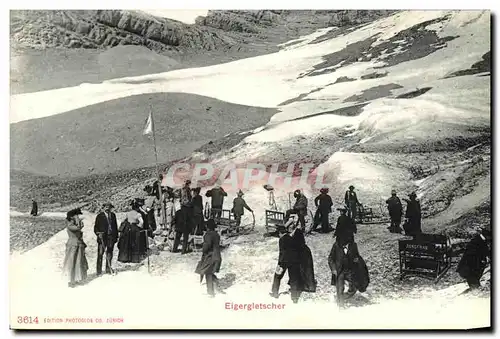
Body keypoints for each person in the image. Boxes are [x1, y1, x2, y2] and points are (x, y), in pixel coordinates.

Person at [328, 236, 368, 307]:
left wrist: (357, 259)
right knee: (340, 288)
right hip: (339, 271)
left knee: (354, 287)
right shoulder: (336, 245)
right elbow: (330, 258)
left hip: (350, 270)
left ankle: (343, 297)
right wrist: (333, 269)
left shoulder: (353, 245)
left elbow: (357, 256)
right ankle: (340, 305)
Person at [270, 225, 303, 303]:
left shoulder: (282, 239)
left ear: (280, 233)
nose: (278, 235)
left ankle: (275, 293)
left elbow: (282, 253)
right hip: (295, 261)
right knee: (294, 279)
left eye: (278, 233)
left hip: (284, 261)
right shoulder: (292, 238)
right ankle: (294, 298)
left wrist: (279, 264)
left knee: (277, 277)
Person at [195, 219, 222, 297]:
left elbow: (207, 246)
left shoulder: (208, 235)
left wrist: (203, 247)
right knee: (209, 271)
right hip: (217, 256)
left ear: (207, 227)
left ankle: (210, 293)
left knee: (207, 273)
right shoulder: (216, 234)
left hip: (210, 257)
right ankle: (216, 281)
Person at [62, 208, 88, 288]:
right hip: (73, 245)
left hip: (78, 244)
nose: (78, 217)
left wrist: (78, 222)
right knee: (72, 262)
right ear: (72, 216)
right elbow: (77, 228)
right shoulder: (70, 224)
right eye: (76, 215)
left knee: (79, 262)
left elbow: (79, 227)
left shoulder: (73, 223)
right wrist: (78, 221)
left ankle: (77, 279)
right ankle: (71, 280)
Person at [117, 199, 148, 263]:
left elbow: (123, 220)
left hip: (127, 229)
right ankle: (134, 258)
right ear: (137, 208)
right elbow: (142, 222)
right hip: (134, 228)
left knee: (127, 243)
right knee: (135, 243)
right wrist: (139, 227)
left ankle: (125, 258)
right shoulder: (138, 214)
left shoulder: (128, 213)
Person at [94, 202, 118, 276]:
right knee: (100, 254)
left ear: (111, 208)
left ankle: (108, 269)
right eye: (106, 207)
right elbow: (95, 227)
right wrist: (98, 234)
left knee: (110, 253)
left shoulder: (113, 215)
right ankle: (99, 271)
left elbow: (115, 226)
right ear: (103, 208)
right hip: (102, 237)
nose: (107, 208)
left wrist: (116, 236)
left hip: (111, 237)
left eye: (109, 207)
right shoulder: (99, 216)